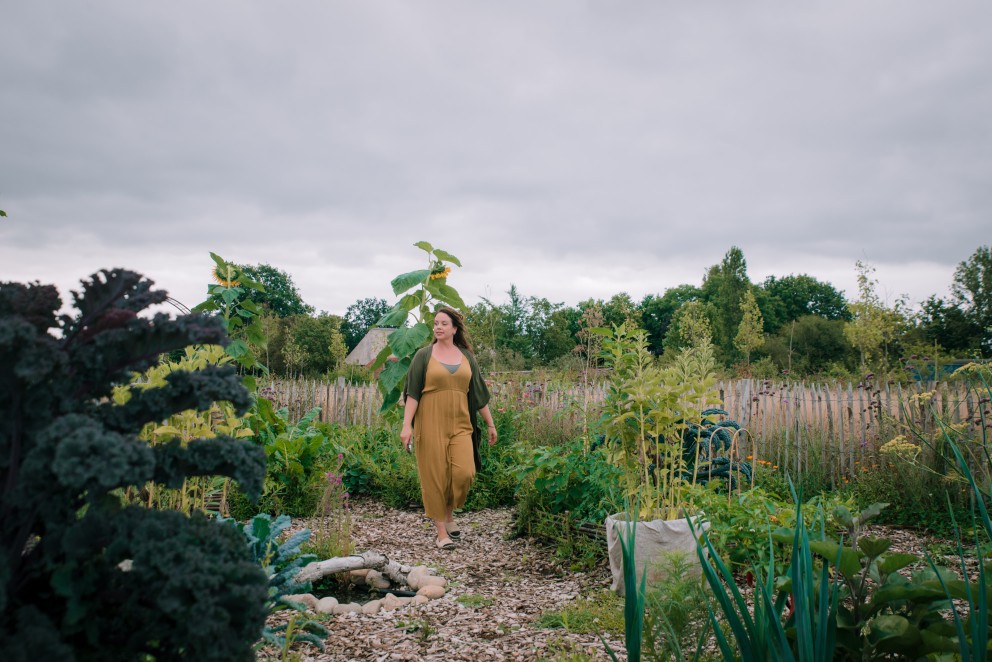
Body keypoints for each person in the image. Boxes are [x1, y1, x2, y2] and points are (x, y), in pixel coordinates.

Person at [400, 307, 497, 550]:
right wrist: (406, 426)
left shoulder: (466, 357)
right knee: (435, 475)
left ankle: (450, 513)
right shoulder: (423, 356)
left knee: (464, 473)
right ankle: (441, 531)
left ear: (455, 328)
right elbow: (412, 393)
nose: (438, 327)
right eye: (436, 323)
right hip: (429, 421)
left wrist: (490, 423)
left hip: (461, 423)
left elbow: (478, 393)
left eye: (444, 323)